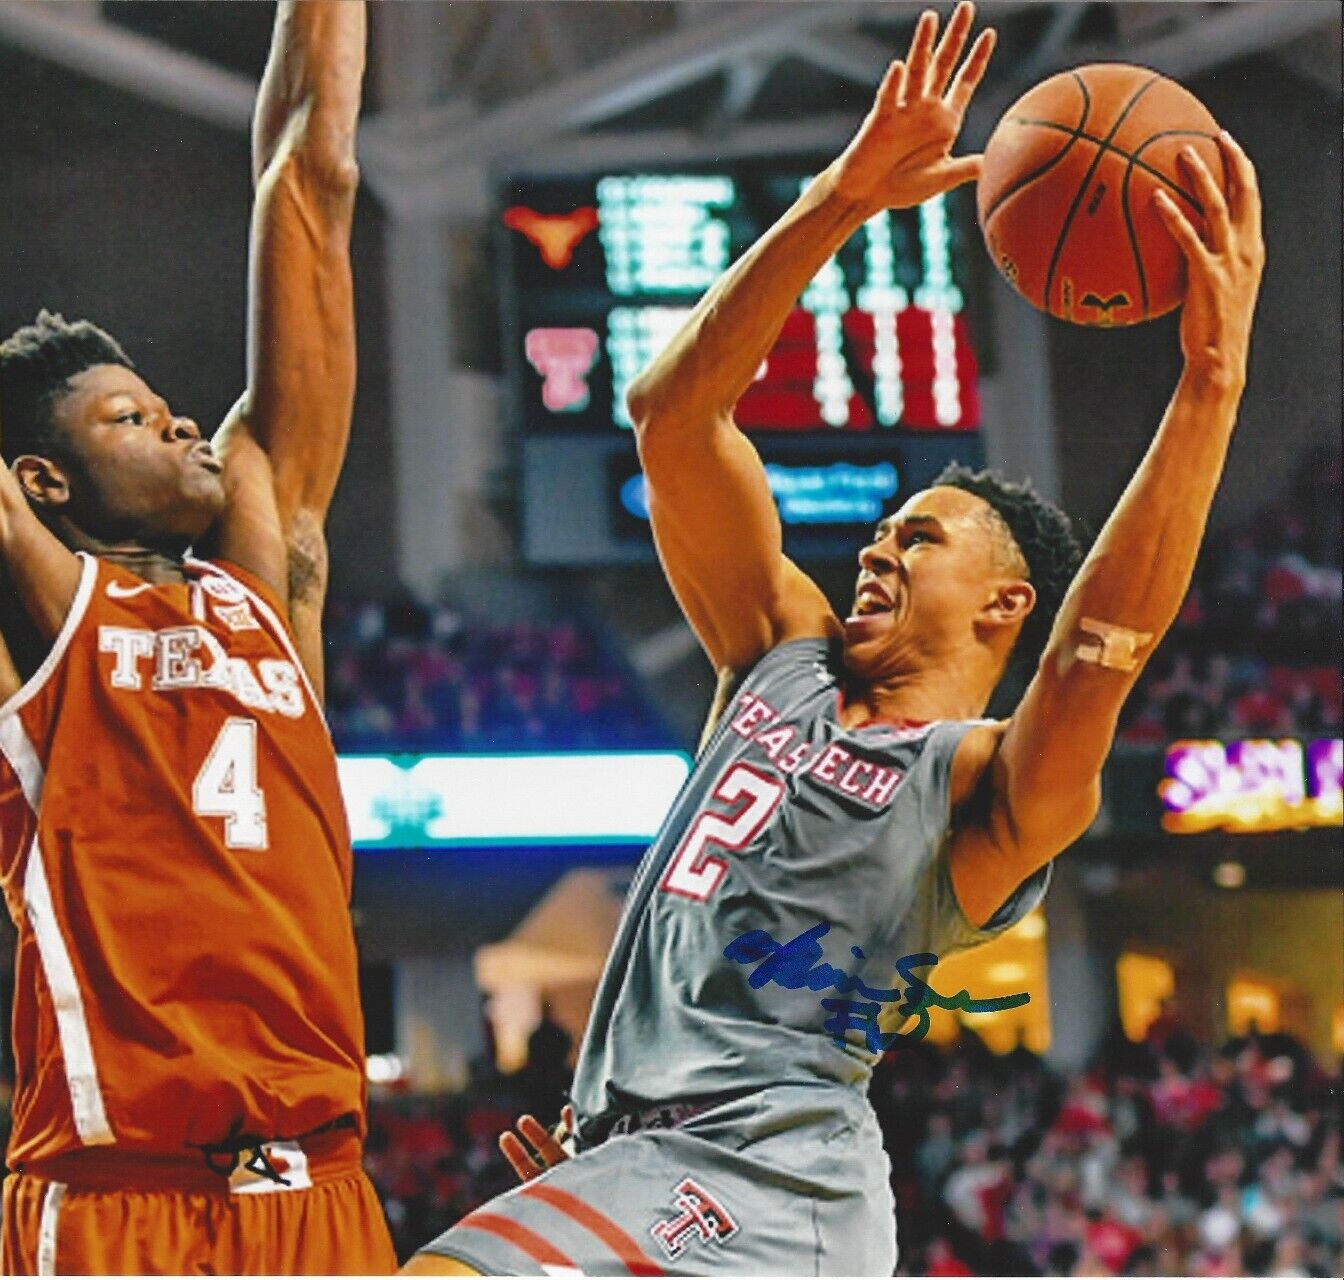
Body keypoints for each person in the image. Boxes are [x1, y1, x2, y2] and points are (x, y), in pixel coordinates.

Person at [404, 3, 1263, 1274]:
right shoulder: (779, 659)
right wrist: (842, 194)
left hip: (763, 1175)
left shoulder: (980, 785)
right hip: (649, 1159)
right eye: (880, 531)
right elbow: (671, 419)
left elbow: (1106, 649)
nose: (875, 547)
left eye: (919, 539)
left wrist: (1207, 383)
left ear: (1003, 603)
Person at [0, 0, 394, 1272]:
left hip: (320, 1187)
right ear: (46, 480)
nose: (178, 426)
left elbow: (311, 180)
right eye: (129, 417)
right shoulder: (6, 588)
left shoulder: (274, 575)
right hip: (121, 1198)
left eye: (167, 408)